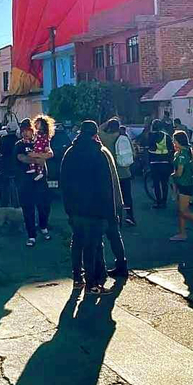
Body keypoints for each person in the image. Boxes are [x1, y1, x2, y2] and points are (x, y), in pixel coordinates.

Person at [59, 121, 119, 294]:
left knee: (77, 241)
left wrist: (68, 207)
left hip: (75, 208)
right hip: (95, 208)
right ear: (95, 134)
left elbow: (64, 182)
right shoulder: (98, 153)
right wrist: (111, 212)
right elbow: (106, 186)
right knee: (93, 246)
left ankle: (77, 278)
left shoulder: (70, 152)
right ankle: (92, 283)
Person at [15, 119, 54, 246]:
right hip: (25, 181)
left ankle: (43, 226)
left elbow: (49, 153)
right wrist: (37, 159)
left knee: (44, 206)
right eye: (23, 131)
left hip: (41, 180)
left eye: (28, 130)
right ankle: (31, 235)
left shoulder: (39, 141)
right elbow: (21, 157)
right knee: (28, 209)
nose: (25, 133)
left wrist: (40, 156)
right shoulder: (19, 145)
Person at [103, 118, 137, 226]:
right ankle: (130, 216)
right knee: (127, 195)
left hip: (112, 173)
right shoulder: (124, 137)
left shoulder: (106, 138)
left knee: (112, 196)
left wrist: (106, 122)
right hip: (125, 172)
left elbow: (99, 130)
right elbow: (133, 154)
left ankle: (114, 217)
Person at [146, 119, 174, 209]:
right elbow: (171, 148)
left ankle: (158, 202)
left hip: (154, 163)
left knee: (156, 183)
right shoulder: (166, 136)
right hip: (165, 162)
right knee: (164, 183)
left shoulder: (150, 136)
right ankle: (164, 202)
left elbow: (146, 145)